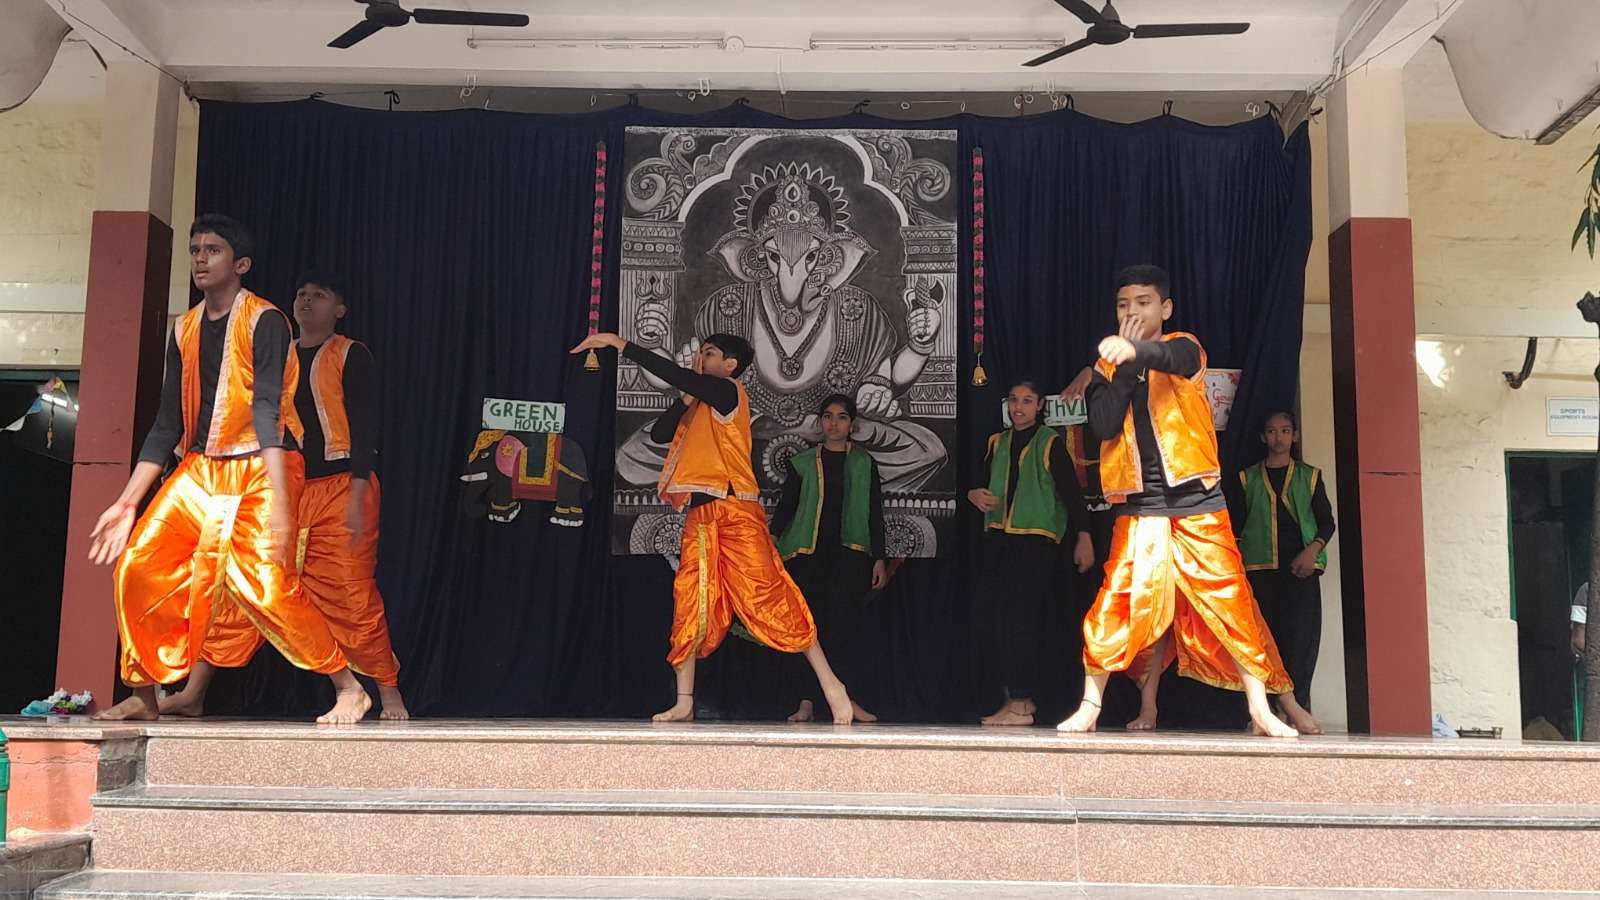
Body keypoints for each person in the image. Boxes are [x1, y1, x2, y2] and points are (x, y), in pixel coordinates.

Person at [86, 215, 368, 724]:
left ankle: (349, 688)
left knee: (265, 583)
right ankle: (144, 696)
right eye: (195, 250)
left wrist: (280, 498)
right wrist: (126, 502)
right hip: (201, 469)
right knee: (138, 565)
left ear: (240, 264)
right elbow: (166, 424)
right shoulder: (184, 327)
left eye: (212, 250)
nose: (200, 258)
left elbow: (266, 407)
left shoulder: (267, 320)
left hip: (264, 464)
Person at [1057, 264, 1318, 737]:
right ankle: (1090, 706)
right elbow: (1103, 424)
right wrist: (1124, 366)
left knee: (1231, 604)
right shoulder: (1107, 368)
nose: (1132, 312)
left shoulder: (1186, 347)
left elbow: (1170, 356)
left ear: (1165, 308)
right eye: (1123, 304)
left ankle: (1261, 708)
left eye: (1143, 303)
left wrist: (1136, 350)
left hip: (1198, 503)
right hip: (1141, 507)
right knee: (1117, 603)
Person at [571, 331, 855, 724]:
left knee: (770, 594)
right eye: (702, 352)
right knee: (690, 601)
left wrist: (621, 346)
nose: (700, 357)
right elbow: (660, 433)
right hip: (701, 517)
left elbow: (676, 375)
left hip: (736, 512)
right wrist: (687, 396)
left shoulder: (728, 391)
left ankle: (832, 687)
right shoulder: (702, 399)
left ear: (730, 365)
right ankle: (684, 701)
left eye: (709, 352)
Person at [161, 272, 410, 720]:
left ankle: (389, 694)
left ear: (340, 309)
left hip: (340, 488)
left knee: (350, 593)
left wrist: (358, 493)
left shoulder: (349, 353)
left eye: (320, 295)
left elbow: (366, 426)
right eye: (301, 294)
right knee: (238, 584)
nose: (306, 301)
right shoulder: (276, 351)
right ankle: (193, 693)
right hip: (279, 488)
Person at [968, 380, 1096, 726]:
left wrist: (1084, 537)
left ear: (1040, 406)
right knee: (993, 620)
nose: (1019, 407)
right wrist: (974, 495)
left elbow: (1072, 495)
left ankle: (1023, 703)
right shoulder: (996, 442)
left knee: (1020, 621)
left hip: (1036, 542)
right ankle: (1013, 698)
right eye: (1014, 400)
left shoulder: (1049, 442)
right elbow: (978, 484)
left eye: (1027, 400)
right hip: (999, 539)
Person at [770, 394, 887, 723]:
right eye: (828, 416)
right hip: (808, 556)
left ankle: (847, 699)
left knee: (843, 629)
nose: (834, 423)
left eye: (841, 417)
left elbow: (874, 513)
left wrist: (879, 558)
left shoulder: (864, 462)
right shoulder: (804, 462)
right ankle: (806, 702)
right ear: (820, 421)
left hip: (850, 556)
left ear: (852, 424)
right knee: (809, 630)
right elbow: (787, 506)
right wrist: (771, 541)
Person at [1226, 411, 1335, 716]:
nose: (1279, 438)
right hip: (1259, 571)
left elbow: (1327, 522)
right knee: (1264, 641)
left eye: (1285, 431)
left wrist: (1312, 552)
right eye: (1272, 431)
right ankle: (1266, 711)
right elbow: (1235, 526)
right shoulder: (1247, 478)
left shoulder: (1309, 476)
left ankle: (1297, 708)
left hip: (1301, 570)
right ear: (1263, 437)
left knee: (1301, 641)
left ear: (1295, 436)